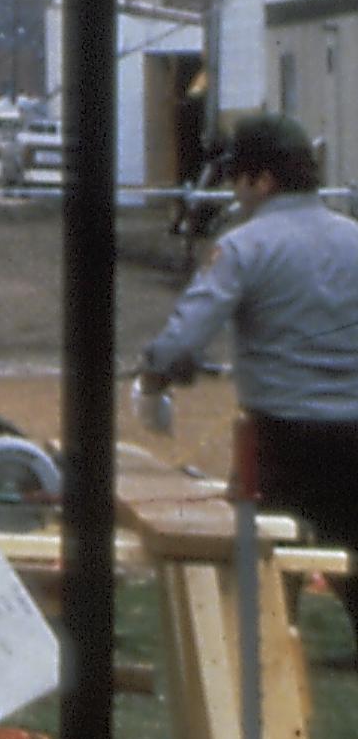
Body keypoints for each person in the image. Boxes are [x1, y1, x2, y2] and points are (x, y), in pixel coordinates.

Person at [133, 112, 358, 554]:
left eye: (238, 178)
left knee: (266, 585)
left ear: (263, 180)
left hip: (281, 439)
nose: (236, 191)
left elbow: (182, 343)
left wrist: (152, 382)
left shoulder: (244, 246)